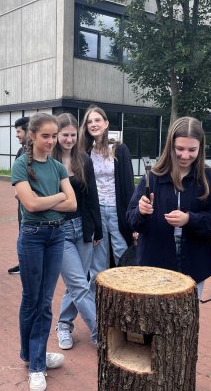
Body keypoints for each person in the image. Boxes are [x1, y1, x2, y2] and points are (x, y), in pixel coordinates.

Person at [127, 116, 211, 299]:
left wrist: (190, 219)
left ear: (201, 148)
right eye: (180, 148)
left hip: (194, 260)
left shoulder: (208, 177)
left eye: (192, 150)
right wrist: (140, 212)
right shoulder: (153, 177)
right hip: (155, 260)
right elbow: (132, 220)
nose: (185, 155)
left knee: (187, 320)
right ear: (170, 145)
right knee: (157, 319)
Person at [11, 113, 77, 391]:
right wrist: (58, 197)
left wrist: (47, 201)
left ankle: (33, 356)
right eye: (46, 136)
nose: (51, 141)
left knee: (45, 300)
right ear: (33, 136)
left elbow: (72, 204)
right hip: (33, 237)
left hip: (56, 235)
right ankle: (35, 364)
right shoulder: (20, 166)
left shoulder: (59, 167)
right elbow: (30, 206)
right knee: (32, 300)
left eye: (54, 136)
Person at [52, 113, 102, 349]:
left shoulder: (83, 159)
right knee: (80, 286)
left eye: (73, 135)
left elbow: (92, 197)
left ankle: (63, 324)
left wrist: (97, 230)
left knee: (78, 283)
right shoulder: (48, 162)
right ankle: (100, 334)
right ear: (56, 135)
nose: (69, 139)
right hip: (60, 231)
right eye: (65, 135)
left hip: (83, 228)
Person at [79, 105, 134, 293]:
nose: (93, 124)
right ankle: (97, 305)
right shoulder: (84, 152)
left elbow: (128, 187)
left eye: (97, 120)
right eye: (89, 121)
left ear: (106, 123)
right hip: (97, 211)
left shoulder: (119, 149)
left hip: (117, 211)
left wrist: (133, 220)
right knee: (98, 261)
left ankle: (126, 297)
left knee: (122, 253)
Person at [8, 116, 30, 275]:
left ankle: (29, 264)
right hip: (21, 202)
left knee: (29, 233)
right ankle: (23, 263)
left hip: (32, 203)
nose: (16, 135)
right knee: (22, 232)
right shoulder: (20, 151)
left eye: (18, 131)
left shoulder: (38, 152)